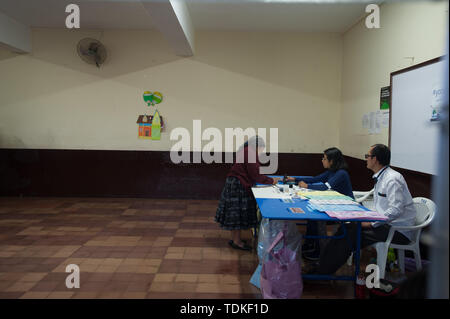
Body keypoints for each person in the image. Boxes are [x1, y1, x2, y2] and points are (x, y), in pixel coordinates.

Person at [316, 144, 416, 275]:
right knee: (346, 229)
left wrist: (371, 223)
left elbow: (395, 210)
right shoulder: (381, 177)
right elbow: (381, 207)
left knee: (349, 235)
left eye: (367, 156)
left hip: (397, 230)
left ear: (375, 159)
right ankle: (322, 267)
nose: (366, 159)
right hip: (385, 224)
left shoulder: (392, 179)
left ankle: (323, 272)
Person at [288, 147, 354, 261]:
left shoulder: (341, 173)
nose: (322, 160)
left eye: (324, 158)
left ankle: (320, 251)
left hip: (345, 208)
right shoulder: (331, 172)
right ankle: (310, 244)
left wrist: (306, 186)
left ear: (332, 161)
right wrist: (295, 179)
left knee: (317, 219)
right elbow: (315, 179)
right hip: (335, 204)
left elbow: (325, 187)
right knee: (312, 216)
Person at [215, 136, 281, 251]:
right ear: (258, 146)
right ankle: (237, 242)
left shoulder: (246, 151)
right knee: (237, 213)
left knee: (235, 213)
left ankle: (235, 239)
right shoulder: (250, 153)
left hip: (235, 183)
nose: (261, 152)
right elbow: (255, 174)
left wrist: (266, 179)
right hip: (238, 186)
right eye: (261, 149)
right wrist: (271, 181)